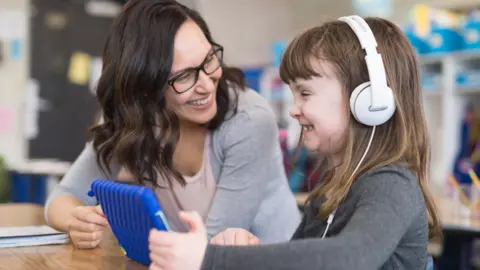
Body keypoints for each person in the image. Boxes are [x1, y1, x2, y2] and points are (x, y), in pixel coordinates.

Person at [147, 15, 442, 270]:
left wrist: (211, 259)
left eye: (305, 93)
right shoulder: (330, 193)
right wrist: (246, 253)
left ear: (368, 100)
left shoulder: (391, 184)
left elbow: (349, 258)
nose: (294, 109)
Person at [44, 0, 301, 249]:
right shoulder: (135, 121)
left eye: (209, 58)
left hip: (270, 261)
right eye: (185, 76)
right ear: (147, 86)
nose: (206, 84)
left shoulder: (247, 119)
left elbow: (215, 246)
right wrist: (77, 220)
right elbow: (61, 198)